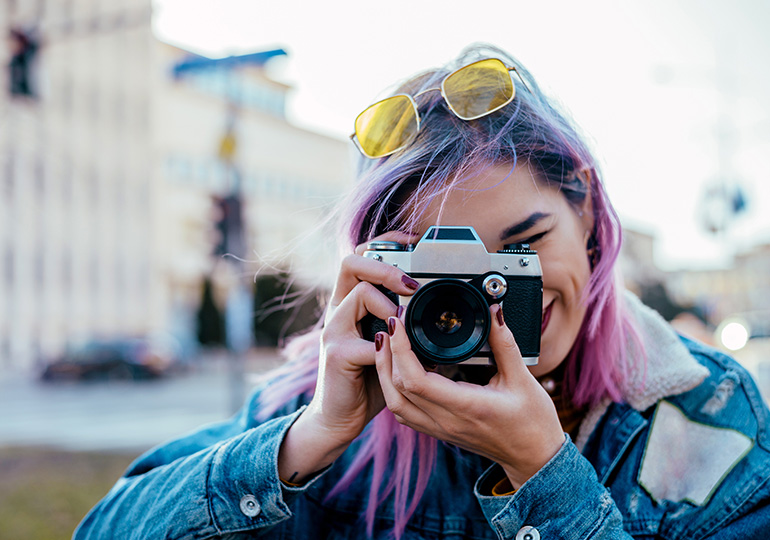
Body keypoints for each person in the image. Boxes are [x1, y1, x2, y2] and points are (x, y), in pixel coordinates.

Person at [74, 45, 770, 539]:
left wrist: (543, 473)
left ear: (585, 209)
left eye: (520, 250)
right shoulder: (322, 406)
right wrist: (313, 436)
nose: (485, 303)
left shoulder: (700, 419)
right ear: (376, 269)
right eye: (447, 278)